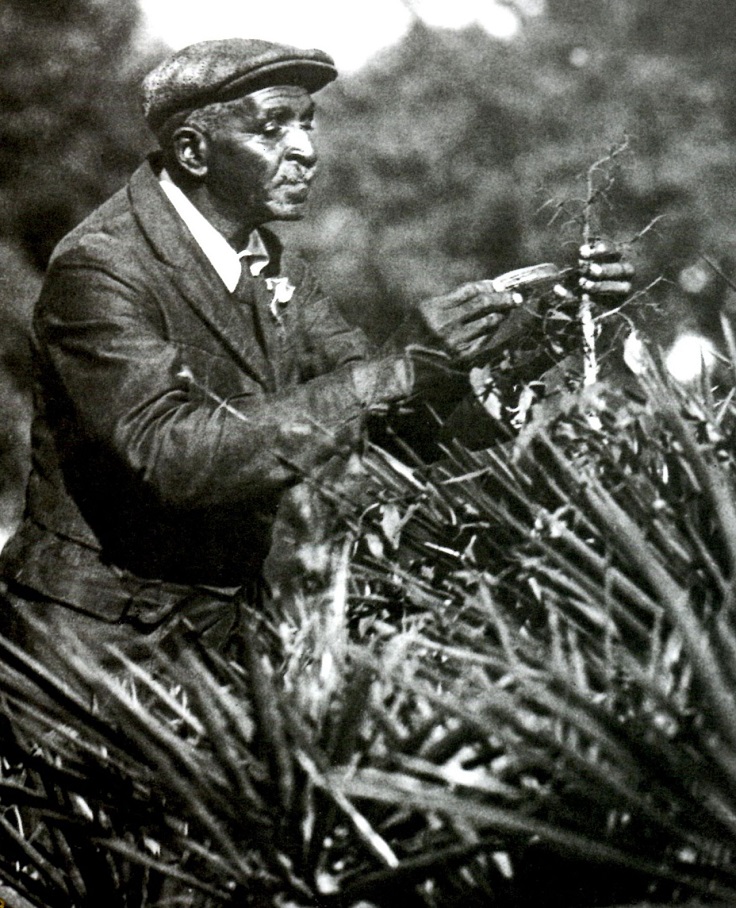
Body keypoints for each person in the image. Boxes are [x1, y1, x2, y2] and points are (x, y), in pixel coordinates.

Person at [0, 38, 632, 663]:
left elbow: (388, 427)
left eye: (307, 124)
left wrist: (544, 331)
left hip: (218, 641)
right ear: (193, 150)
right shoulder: (100, 269)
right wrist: (402, 366)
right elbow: (175, 457)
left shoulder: (274, 267)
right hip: (89, 651)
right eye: (274, 127)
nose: (307, 150)